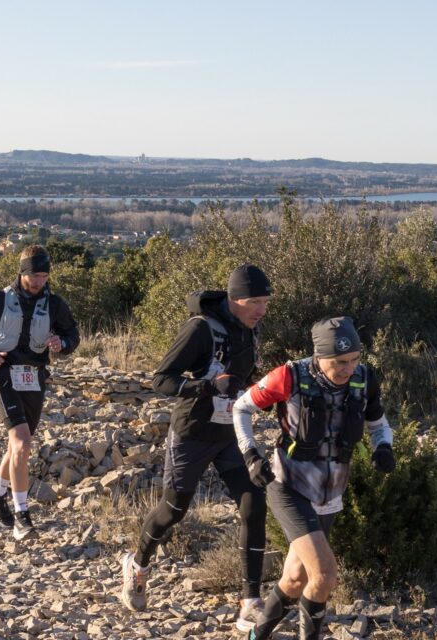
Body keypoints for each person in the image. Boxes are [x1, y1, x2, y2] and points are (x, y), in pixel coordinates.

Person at [120, 264, 272, 633]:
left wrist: (264, 389)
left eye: (266, 302)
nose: (261, 310)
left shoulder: (249, 330)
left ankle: (249, 601)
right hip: (191, 432)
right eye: (255, 302)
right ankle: (137, 564)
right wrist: (205, 388)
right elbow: (161, 379)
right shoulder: (201, 329)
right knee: (174, 510)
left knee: (254, 500)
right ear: (235, 299)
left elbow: (241, 377)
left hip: (229, 432)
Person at [233, 316, 395, 640]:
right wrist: (251, 454)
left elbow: (379, 424)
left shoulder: (364, 379)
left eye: (354, 360)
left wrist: (384, 448)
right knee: (323, 575)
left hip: (330, 495)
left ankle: (255, 637)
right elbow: (241, 408)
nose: (348, 369)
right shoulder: (289, 376)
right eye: (339, 362)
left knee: (294, 579)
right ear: (320, 357)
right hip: (288, 485)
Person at [0, 245, 79, 541]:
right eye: (34, 275)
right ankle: (22, 516)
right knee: (21, 442)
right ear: (22, 272)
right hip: (3, 376)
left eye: (43, 275)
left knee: (20, 446)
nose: (39, 281)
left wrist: (61, 344)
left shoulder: (55, 304)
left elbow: (73, 336)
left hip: (35, 379)